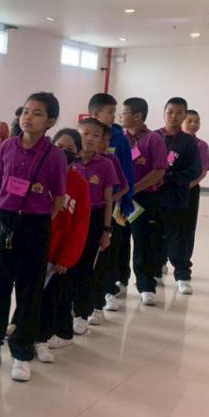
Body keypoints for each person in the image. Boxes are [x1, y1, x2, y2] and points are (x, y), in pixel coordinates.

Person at [0, 92, 67, 382]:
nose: (28, 117)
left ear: (50, 121)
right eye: (26, 111)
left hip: (35, 225)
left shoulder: (55, 156)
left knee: (29, 290)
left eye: (37, 113)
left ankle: (22, 353)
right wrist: (7, 210)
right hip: (5, 220)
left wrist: (35, 219)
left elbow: (58, 199)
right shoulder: (7, 146)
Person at [33, 128, 91, 363]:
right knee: (31, 295)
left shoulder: (79, 183)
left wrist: (67, 258)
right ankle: (23, 329)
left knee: (51, 299)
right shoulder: (41, 173)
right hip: (36, 247)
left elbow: (80, 225)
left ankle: (42, 339)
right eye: (59, 147)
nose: (63, 152)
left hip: (58, 256)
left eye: (70, 149)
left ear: (77, 153)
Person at [69, 118, 118, 333]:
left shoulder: (105, 165)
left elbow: (108, 201)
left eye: (96, 135)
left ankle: (82, 313)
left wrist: (106, 230)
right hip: (69, 216)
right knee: (66, 265)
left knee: (86, 268)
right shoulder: (69, 160)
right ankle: (64, 310)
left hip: (94, 218)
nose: (89, 139)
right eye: (85, 133)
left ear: (101, 140)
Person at [88, 93, 136, 299]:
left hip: (112, 203)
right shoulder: (81, 135)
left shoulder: (119, 138)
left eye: (115, 112)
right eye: (110, 112)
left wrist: (125, 201)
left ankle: (107, 290)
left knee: (109, 246)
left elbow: (127, 173)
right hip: (87, 204)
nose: (114, 116)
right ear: (95, 114)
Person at [121, 97, 168, 306]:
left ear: (138, 116)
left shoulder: (153, 139)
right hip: (119, 198)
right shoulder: (119, 138)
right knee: (119, 241)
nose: (120, 117)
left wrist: (133, 189)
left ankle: (146, 286)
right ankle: (118, 281)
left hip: (144, 198)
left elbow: (158, 171)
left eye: (124, 113)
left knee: (144, 242)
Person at [155, 97, 201, 295]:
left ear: (184, 116)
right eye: (170, 112)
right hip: (153, 196)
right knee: (154, 236)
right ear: (164, 113)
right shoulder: (153, 137)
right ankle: (155, 271)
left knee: (178, 238)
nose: (174, 116)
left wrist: (168, 178)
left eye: (179, 113)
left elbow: (194, 170)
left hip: (176, 196)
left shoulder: (189, 141)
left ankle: (182, 276)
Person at [96, 126, 130, 312]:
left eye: (107, 139)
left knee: (107, 255)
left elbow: (125, 187)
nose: (103, 143)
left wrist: (109, 200)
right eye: (100, 138)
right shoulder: (77, 160)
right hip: (84, 216)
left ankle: (107, 293)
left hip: (107, 215)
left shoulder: (111, 160)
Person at [182, 109, 209, 273]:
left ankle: (185, 262)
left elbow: (203, 171)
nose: (194, 124)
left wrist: (188, 186)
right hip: (170, 190)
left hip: (190, 191)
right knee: (166, 226)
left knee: (188, 227)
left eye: (197, 121)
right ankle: (162, 260)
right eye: (190, 120)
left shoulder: (201, 145)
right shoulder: (172, 142)